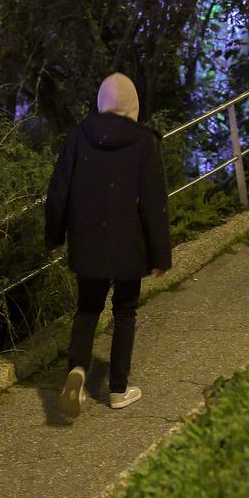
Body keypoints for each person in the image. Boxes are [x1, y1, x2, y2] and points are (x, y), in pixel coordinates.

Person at [44, 73, 171, 418]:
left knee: (88, 309)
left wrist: (55, 238)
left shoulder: (78, 136)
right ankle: (117, 389)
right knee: (125, 312)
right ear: (133, 105)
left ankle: (77, 371)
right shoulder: (145, 142)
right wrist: (160, 254)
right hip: (130, 244)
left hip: (88, 242)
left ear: (101, 102)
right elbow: (154, 203)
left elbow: (58, 193)